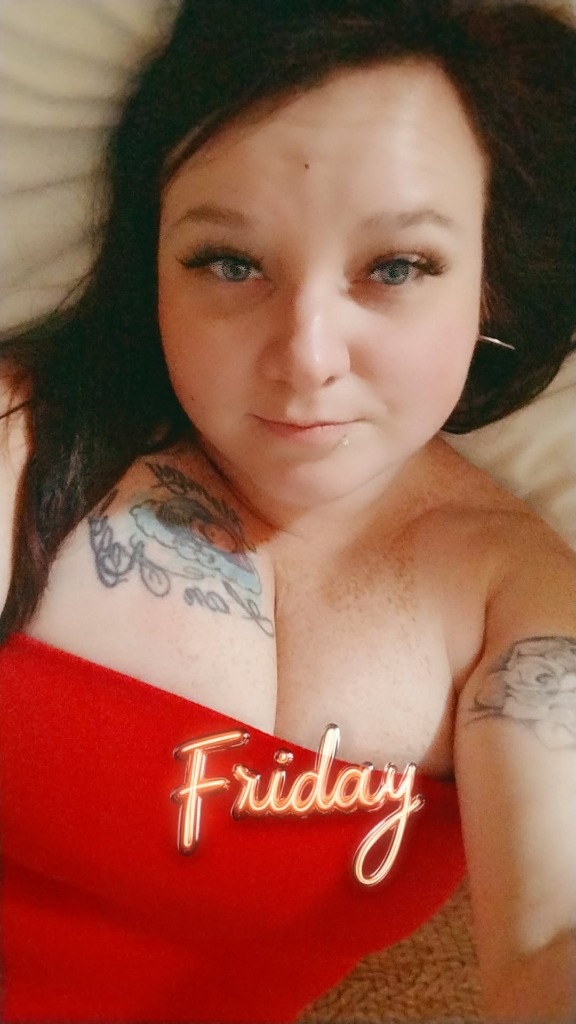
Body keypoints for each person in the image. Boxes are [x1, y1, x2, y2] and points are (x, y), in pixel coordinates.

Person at [0, 0, 575, 1020]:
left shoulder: (515, 590)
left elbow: (549, 939)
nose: (307, 356)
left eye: (396, 268)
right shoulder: (24, 441)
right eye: (230, 263)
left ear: (488, 282)